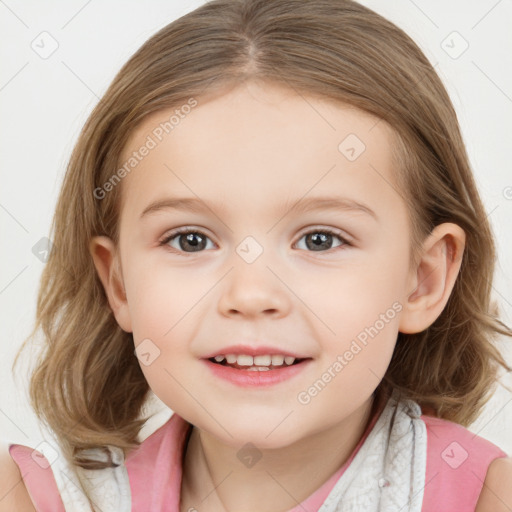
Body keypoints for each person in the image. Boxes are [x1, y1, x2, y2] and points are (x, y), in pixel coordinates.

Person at [1, 0, 511, 510]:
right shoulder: (37, 498)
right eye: (190, 240)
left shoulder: (487, 497)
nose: (250, 295)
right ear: (119, 284)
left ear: (422, 281)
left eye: (320, 240)